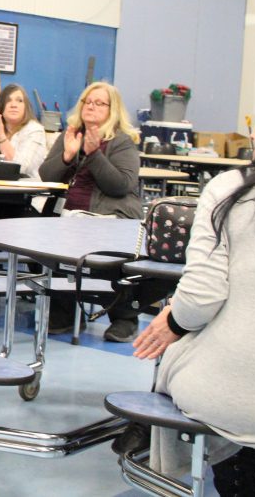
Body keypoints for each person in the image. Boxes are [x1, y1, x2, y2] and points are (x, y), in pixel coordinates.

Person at [131, 167, 255, 495]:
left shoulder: (233, 188)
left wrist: (174, 320)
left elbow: (202, 296)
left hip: (241, 401)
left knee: (193, 370)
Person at [38, 81, 158, 342]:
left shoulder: (122, 142)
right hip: (73, 215)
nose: (91, 107)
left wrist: (94, 155)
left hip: (113, 216)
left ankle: (125, 318)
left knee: (111, 258)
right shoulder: (71, 134)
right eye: (87, 102)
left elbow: (121, 185)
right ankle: (64, 312)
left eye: (99, 103)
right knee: (55, 244)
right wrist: (67, 157)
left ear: (112, 109)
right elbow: (46, 176)